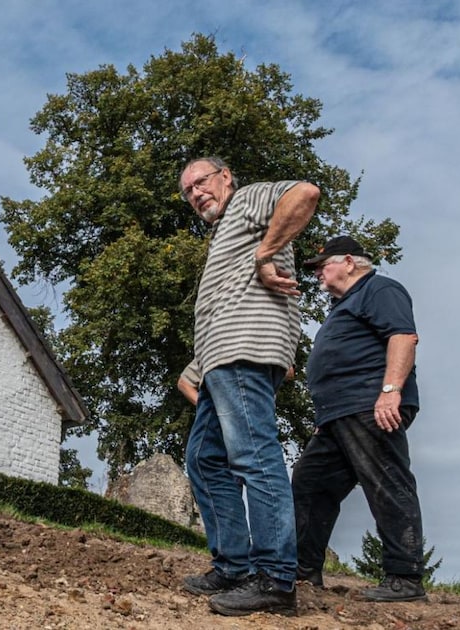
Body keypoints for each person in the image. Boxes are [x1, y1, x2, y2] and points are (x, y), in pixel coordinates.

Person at [178, 157, 320, 616]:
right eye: (188, 191)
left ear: (225, 176)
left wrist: (265, 254)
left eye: (201, 181)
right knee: (204, 458)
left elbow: (304, 193)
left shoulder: (247, 200)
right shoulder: (225, 230)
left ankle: (276, 578)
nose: (196, 193)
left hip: (241, 352)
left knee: (255, 456)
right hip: (218, 362)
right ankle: (234, 566)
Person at [292, 235, 426, 602]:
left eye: (323, 266)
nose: (317, 273)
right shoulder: (344, 305)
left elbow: (403, 337)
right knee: (310, 483)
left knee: (386, 482)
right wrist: (327, 413)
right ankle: (303, 570)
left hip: (370, 404)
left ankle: (405, 577)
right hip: (338, 415)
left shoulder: (379, 289)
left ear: (349, 262)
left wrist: (390, 391)